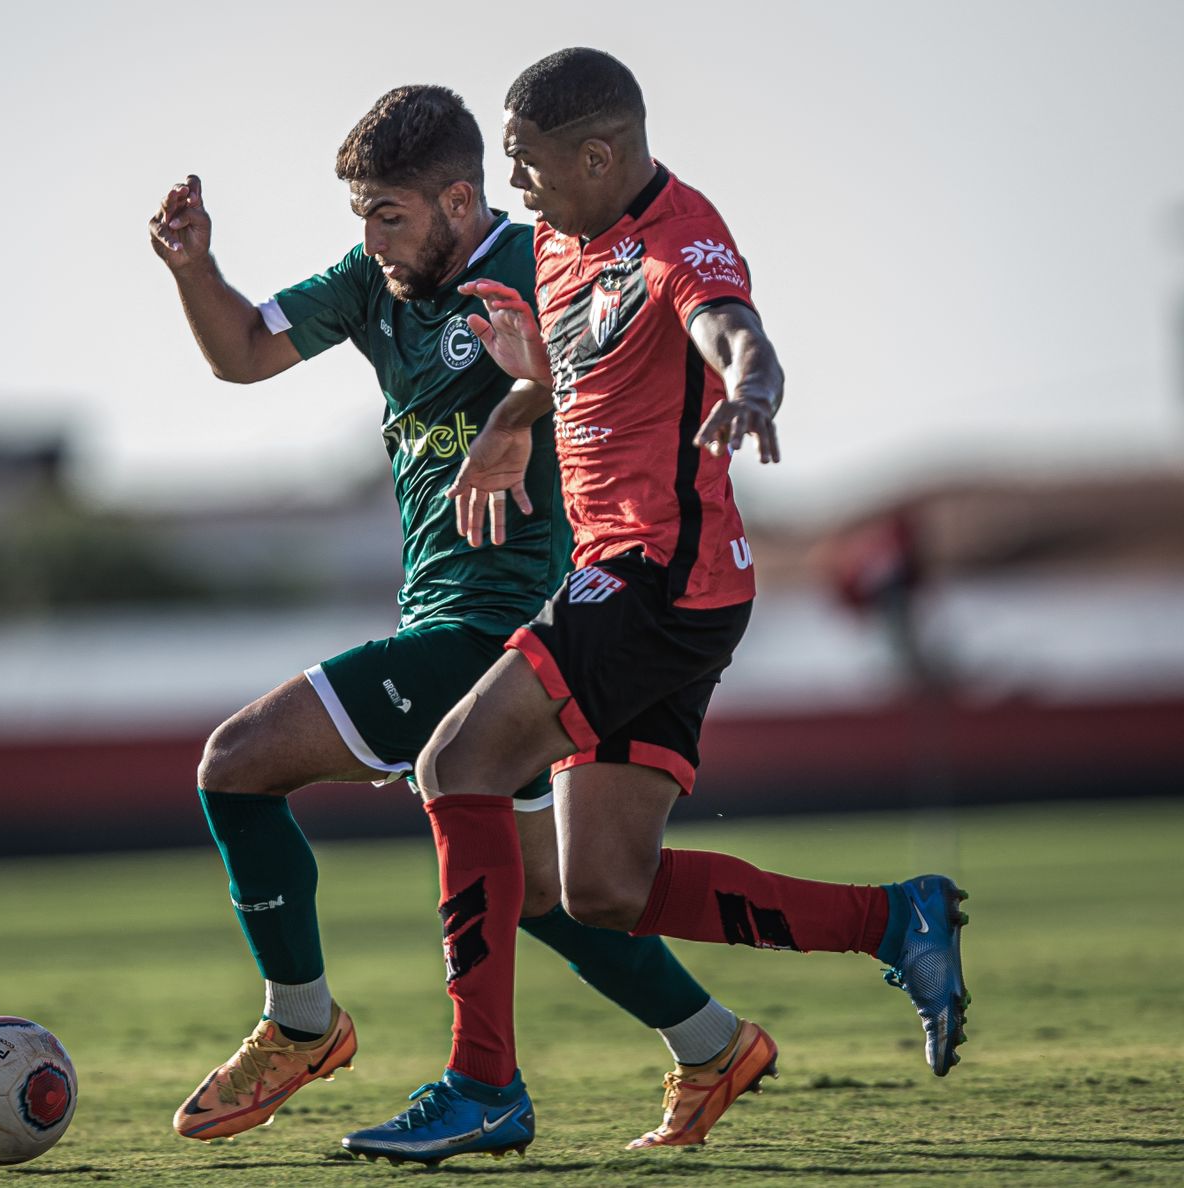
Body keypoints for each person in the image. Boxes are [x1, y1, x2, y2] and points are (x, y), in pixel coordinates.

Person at [341, 49, 970, 1166]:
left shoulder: (681, 235)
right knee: (601, 889)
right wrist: (518, 407)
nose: (514, 189)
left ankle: (481, 1085)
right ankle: (895, 919)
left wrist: (752, 385)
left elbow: (729, 325)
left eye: (528, 166)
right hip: (667, 587)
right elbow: (575, 368)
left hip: (651, 574)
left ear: (598, 154)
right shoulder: (557, 243)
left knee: (453, 767)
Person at [149, 84, 777, 1151]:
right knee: (539, 890)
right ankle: (712, 1042)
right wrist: (192, 269)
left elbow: (622, 367)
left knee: (237, 761)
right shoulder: (370, 283)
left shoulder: (546, 261)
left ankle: (301, 1025)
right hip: (459, 617)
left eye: (387, 215)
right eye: (360, 216)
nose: (369, 238)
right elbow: (241, 357)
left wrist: (530, 410)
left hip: (504, 624)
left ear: (454, 199)